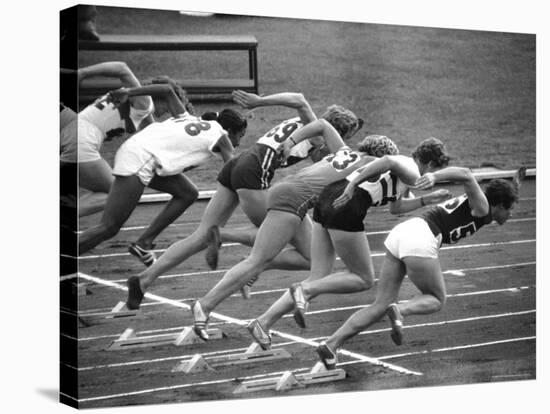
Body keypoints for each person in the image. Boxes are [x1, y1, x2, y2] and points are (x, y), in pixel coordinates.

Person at [125, 90, 363, 309]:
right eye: (347, 136)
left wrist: (261, 103)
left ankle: (144, 280)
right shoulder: (318, 129)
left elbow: (316, 153)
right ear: (340, 132)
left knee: (200, 235)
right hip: (253, 172)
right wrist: (259, 102)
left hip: (238, 163)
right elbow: (299, 98)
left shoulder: (307, 126)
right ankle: (226, 241)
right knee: (304, 252)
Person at [189, 118, 400, 341]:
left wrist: (290, 141)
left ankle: (263, 322)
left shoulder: (345, 151)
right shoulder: (372, 167)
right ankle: (205, 305)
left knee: (312, 262)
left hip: (289, 191)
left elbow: (322, 125)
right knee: (256, 260)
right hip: (294, 200)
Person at [246, 137, 452, 349]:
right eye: (434, 173)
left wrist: (427, 200)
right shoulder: (412, 170)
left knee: (318, 277)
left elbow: (396, 208)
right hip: (347, 204)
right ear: (429, 165)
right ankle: (304, 291)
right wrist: (353, 185)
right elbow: (388, 160)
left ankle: (263, 322)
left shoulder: (404, 175)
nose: (431, 179)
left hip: (327, 199)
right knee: (363, 279)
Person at [315, 166, 523, 369]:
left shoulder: (484, 201)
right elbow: (466, 174)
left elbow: (490, 188)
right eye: (510, 209)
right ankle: (401, 310)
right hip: (422, 238)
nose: (511, 215)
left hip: (403, 231)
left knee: (380, 304)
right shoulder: (483, 208)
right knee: (436, 299)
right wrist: (433, 176)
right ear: (500, 205)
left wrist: (514, 186)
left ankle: (331, 344)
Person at [78, 107, 248, 258]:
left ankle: (144, 243)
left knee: (187, 193)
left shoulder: (193, 119)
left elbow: (166, 90)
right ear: (230, 131)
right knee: (109, 226)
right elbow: (233, 174)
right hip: (141, 159)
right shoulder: (222, 137)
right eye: (240, 136)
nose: (239, 143)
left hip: (140, 153)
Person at [60, 62, 193, 219]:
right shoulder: (145, 102)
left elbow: (152, 135)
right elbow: (122, 68)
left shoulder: (140, 105)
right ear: (163, 98)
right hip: (81, 140)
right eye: (169, 107)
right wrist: (82, 72)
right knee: (117, 193)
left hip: (69, 128)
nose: (165, 112)